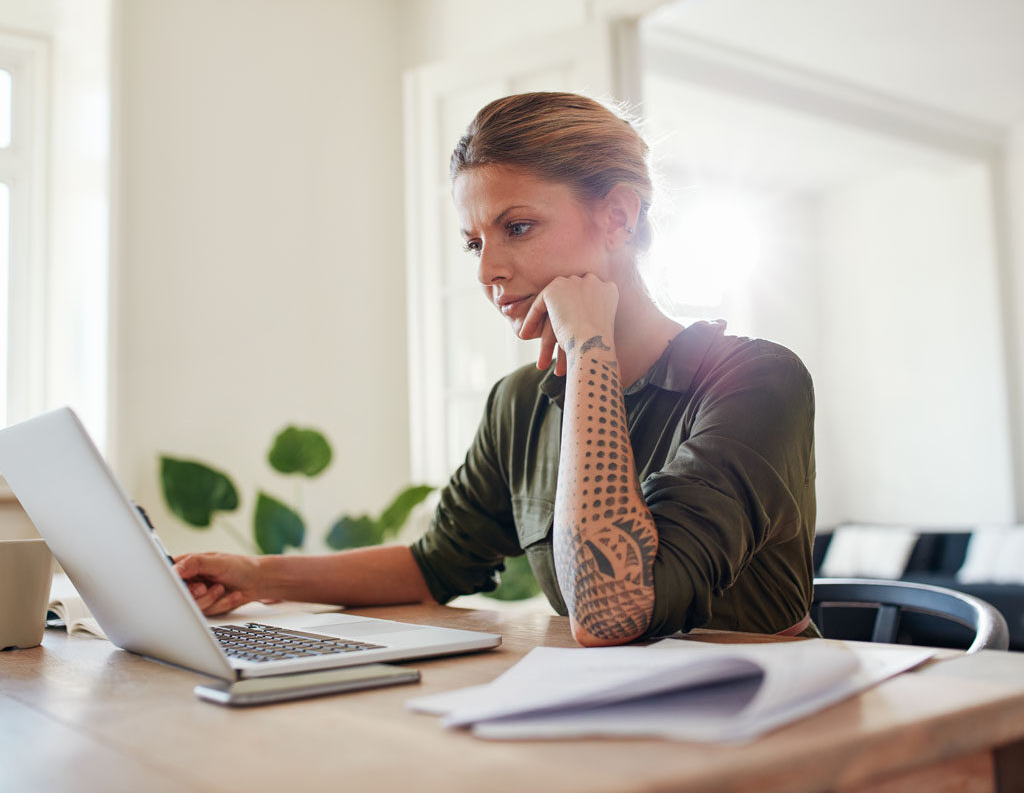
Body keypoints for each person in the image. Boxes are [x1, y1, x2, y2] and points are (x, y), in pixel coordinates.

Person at [175, 91, 818, 646]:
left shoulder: (757, 381)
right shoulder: (521, 401)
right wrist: (257, 577)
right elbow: (436, 566)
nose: (487, 273)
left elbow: (611, 613)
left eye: (518, 227)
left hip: (774, 719)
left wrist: (590, 345)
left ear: (617, 216)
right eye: (474, 243)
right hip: (611, 713)